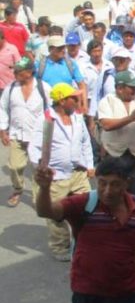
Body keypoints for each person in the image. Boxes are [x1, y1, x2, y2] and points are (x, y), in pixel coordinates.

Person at [34, 154, 135, 303]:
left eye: (115, 184)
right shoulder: (83, 204)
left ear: (127, 183)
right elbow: (45, 211)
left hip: (128, 295)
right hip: (89, 295)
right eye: (102, 183)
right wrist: (45, 188)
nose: (107, 190)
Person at [28, 83, 94, 262]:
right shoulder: (46, 119)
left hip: (78, 173)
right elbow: (34, 147)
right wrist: (41, 168)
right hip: (56, 177)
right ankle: (60, 246)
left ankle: (84, 242)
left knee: (88, 209)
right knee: (55, 216)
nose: (77, 100)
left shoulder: (78, 118)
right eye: (73, 98)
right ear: (62, 101)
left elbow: (85, 142)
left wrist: (89, 164)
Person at [0, 57, 51, 206]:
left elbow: (52, 109)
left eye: (18, 71)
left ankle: (37, 196)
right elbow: (2, 109)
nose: (15, 74)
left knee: (38, 168)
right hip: (17, 134)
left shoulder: (44, 88)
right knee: (15, 166)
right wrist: (3, 131)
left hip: (38, 136)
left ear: (29, 72)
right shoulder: (10, 89)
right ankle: (18, 189)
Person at [97, 71, 135, 196]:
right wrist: (130, 118)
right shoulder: (107, 100)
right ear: (119, 88)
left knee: (134, 195)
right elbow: (107, 125)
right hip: (114, 154)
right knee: (113, 192)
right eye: (132, 87)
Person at [38, 35, 88, 113]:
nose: (63, 50)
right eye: (59, 48)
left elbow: (81, 84)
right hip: (47, 108)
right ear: (50, 49)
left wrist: (84, 105)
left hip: (68, 107)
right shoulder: (40, 65)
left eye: (63, 47)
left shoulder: (70, 63)